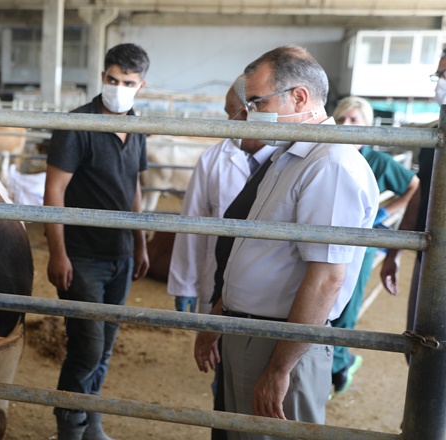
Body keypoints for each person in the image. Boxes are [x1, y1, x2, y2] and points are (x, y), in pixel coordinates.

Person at [193, 45, 378, 438]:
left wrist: (280, 368)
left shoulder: (330, 164)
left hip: (282, 343)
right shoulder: (287, 156)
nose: (251, 113)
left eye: (258, 101)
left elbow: (326, 278)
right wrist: (221, 313)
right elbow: (257, 250)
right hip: (248, 331)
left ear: (299, 97)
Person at [44, 42, 150, 440]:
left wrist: (140, 241)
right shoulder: (77, 124)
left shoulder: (137, 127)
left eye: (128, 82)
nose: (119, 88)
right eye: (113, 79)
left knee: (104, 346)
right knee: (86, 347)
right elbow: (54, 191)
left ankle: (92, 422)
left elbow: (133, 186)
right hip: (82, 255)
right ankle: (70, 428)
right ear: (102, 77)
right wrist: (58, 253)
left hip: (121, 254)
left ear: (141, 85)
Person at [330, 96, 418, 395]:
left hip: (361, 244)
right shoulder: (328, 154)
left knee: (346, 307)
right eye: (341, 119)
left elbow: (414, 186)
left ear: (367, 125)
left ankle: (338, 368)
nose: (346, 124)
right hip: (328, 238)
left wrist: (383, 213)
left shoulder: (376, 160)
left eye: (354, 119)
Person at [167, 76, 273, 314]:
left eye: (230, 112)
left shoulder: (288, 160)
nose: (229, 121)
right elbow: (193, 223)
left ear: (247, 113)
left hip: (268, 290)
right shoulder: (212, 159)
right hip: (216, 279)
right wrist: (185, 284)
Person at [379, 48, 445, 359]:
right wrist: (395, 250)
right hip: (429, 258)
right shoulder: (434, 136)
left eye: (445, 74)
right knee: (422, 350)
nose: (440, 82)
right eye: (439, 75)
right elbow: (421, 196)